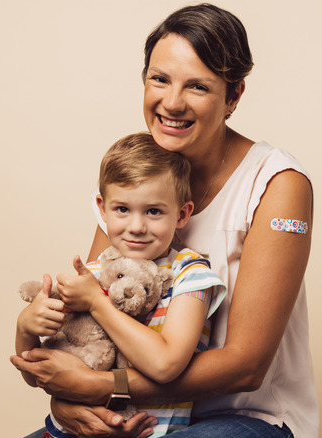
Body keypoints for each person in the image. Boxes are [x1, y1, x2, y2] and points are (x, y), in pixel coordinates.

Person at [11, 3, 319, 437]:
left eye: (198, 86)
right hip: (140, 412)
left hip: (243, 417)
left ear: (233, 96)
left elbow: (247, 366)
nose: (172, 103)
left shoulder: (277, 183)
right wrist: (68, 400)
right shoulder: (136, 179)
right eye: (160, 79)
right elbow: (94, 318)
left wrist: (101, 386)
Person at [16, 132, 227, 438]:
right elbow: (37, 375)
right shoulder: (93, 273)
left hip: (150, 432)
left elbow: (166, 365)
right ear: (102, 209)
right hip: (73, 430)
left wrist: (96, 303)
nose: (137, 227)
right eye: (122, 210)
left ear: (182, 214)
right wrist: (25, 329)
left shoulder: (191, 274)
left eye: (153, 211)